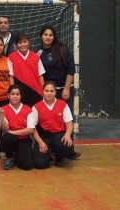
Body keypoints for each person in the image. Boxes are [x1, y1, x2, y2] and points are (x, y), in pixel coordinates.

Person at [37, 25, 80, 159]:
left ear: (54, 37)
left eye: (50, 35)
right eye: (45, 34)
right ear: (41, 36)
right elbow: (40, 74)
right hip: (49, 92)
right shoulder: (38, 53)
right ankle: (50, 149)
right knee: (48, 120)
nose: (48, 37)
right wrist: (44, 91)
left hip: (64, 90)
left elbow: (71, 70)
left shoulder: (63, 49)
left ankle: (69, 149)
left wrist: (66, 88)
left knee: (67, 118)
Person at [32, 81, 74, 169]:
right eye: (46, 91)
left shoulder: (63, 104)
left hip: (59, 135)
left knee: (65, 144)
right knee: (40, 164)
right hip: (44, 137)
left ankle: (59, 158)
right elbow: (33, 128)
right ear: (42, 92)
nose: (49, 93)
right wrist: (40, 142)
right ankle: (49, 153)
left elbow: (69, 123)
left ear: (55, 92)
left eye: (52, 91)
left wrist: (67, 135)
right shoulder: (36, 107)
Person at [0, 85, 34, 170]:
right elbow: (5, 130)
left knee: (27, 165)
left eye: (17, 94)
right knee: (6, 137)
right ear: (8, 95)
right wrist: (2, 117)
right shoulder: (3, 109)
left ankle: (17, 156)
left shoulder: (28, 109)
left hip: (24, 139)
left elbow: (30, 130)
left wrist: (13, 132)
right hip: (10, 138)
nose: (15, 96)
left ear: (21, 96)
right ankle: (9, 156)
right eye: (12, 94)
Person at [8, 33, 45, 107]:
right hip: (20, 93)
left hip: (36, 92)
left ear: (29, 42)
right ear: (16, 44)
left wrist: (43, 91)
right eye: (20, 42)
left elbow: (40, 76)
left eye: (25, 41)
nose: (23, 44)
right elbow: (11, 77)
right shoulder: (11, 57)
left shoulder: (35, 56)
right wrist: (13, 92)